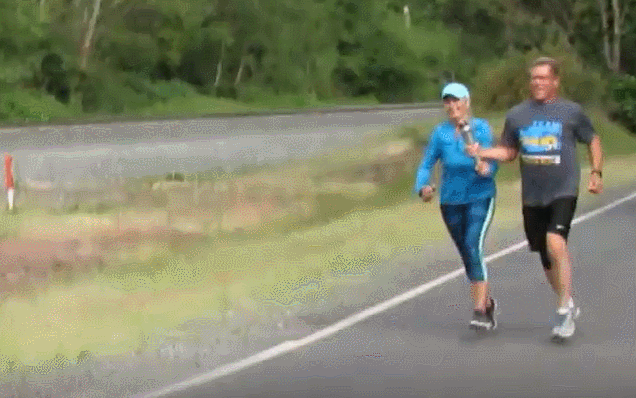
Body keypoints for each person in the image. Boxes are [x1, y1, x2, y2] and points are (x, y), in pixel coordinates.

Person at [466, 56, 604, 339]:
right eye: (534, 78)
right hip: (533, 197)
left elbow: (592, 139)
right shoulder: (517, 115)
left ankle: (563, 309)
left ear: (555, 81)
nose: (538, 83)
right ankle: (567, 300)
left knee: (556, 241)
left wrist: (596, 171)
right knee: (545, 256)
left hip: (563, 189)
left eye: (543, 78)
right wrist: (483, 152)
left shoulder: (571, 112)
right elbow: (509, 151)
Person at [414, 82, 500, 330]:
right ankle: (487, 302)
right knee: (467, 253)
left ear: (467, 102)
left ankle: (479, 310)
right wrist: (423, 187)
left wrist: (486, 166)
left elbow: (492, 159)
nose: (452, 106)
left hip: (480, 196)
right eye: (447, 101)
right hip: (451, 201)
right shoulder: (440, 134)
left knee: (473, 245)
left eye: (456, 100)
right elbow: (426, 163)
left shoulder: (481, 128)